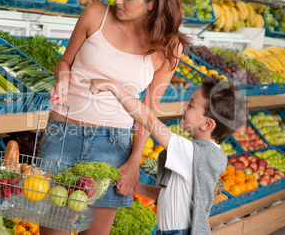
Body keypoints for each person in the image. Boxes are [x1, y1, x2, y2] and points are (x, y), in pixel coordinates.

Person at [38, 0, 190, 233]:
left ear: (152, 3)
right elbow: (65, 61)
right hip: (62, 135)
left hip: (112, 146)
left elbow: (147, 111)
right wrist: (62, 78)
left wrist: (133, 162)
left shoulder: (168, 47)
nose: (118, 0)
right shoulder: (95, 14)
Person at [84, 75, 247, 235]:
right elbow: (174, 198)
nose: (184, 107)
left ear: (206, 124)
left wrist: (115, 89)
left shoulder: (192, 153)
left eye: (191, 105)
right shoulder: (202, 154)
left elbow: (148, 119)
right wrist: (137, 187)